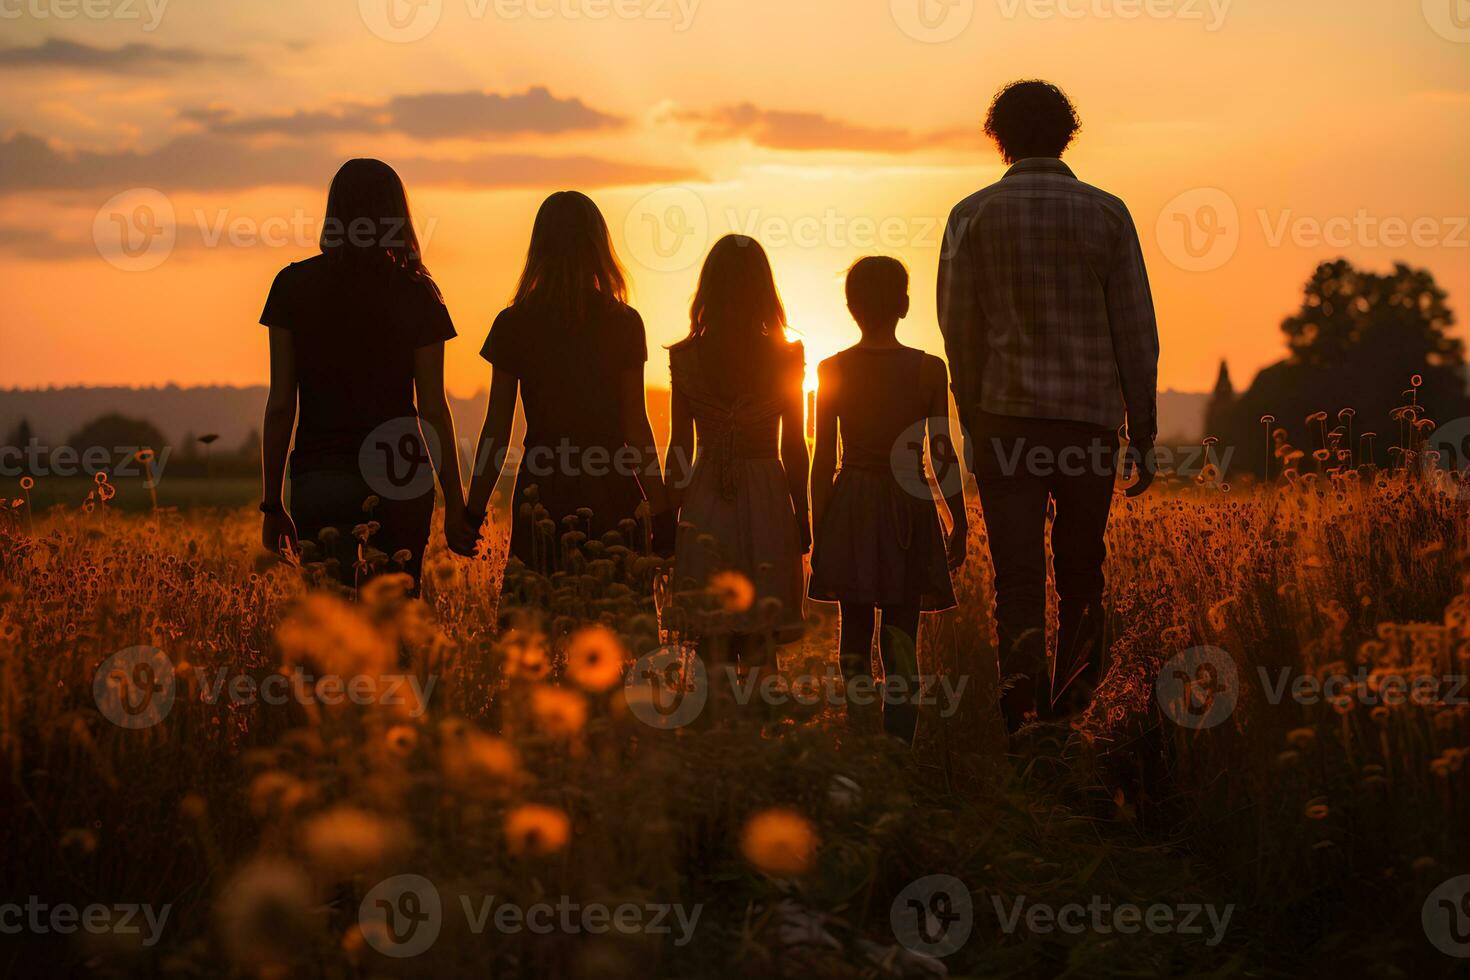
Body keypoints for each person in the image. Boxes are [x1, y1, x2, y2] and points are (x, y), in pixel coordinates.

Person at [938, 80, 1159, 734]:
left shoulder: (970, 215)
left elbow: (960, 333)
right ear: (1067, 133)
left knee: (1017, 583)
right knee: (1082, 576)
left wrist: (974, 424)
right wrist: (1141, 431)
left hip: (1006, 421)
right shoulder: (1107, 214)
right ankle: (1073, 722)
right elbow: (1135, 331)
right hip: (1089, 424)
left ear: (999, 137)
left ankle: (1020, 723)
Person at [259, 158, 466, 594]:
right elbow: (432, 407)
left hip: (321, 473)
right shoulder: (419, 294)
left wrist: (273, 504)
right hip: (402, 474)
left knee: (333, 628)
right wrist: (456, 503)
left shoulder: (292, 286)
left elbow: (281, 404)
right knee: (397, 617)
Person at [452, 191, 669, 569]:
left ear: (539, 248)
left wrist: (472, 514)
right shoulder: (624, 323)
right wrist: (663, 513)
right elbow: (635, 428)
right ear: (598, 246)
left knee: (540, 619)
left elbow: (497, 432)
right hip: (612, 488)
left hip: (542, 490)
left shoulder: (513, 324)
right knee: (613, 614)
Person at [809, 257, 967, 744]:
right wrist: (957, 519)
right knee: (902, 638)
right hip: (907, 502)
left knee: (853, 632)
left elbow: (820, 464)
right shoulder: (927, 370)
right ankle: (898, 749)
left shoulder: (831, 369)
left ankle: (860, 739)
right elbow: (941, 453)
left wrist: (820, 534)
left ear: (851, 306)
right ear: (903, 303)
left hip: (851, 503)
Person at [665, 235, 809, 680]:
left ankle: (714, 743)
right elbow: (795, 447)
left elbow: (680, 447)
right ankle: (759, 741)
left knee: (711, 639)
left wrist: (670, 515)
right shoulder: (787, 356)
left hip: (706, 498)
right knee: (761, 639)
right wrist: (802, 517)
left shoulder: (686, 357)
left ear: (709, 287)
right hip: (767, 498)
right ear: (763, 289)